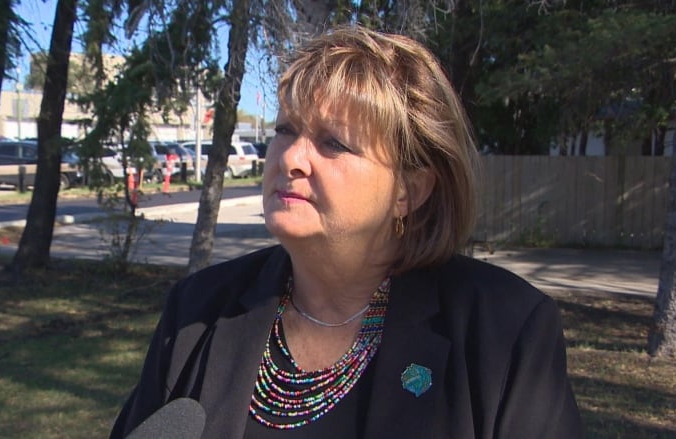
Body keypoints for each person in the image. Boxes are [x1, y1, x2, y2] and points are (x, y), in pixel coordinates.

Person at [110, 26, 583, 438]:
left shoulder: (504, 329)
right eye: (286, 130)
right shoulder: (198, 311)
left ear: (409, 191)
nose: (291, 158)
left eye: (333, 143)